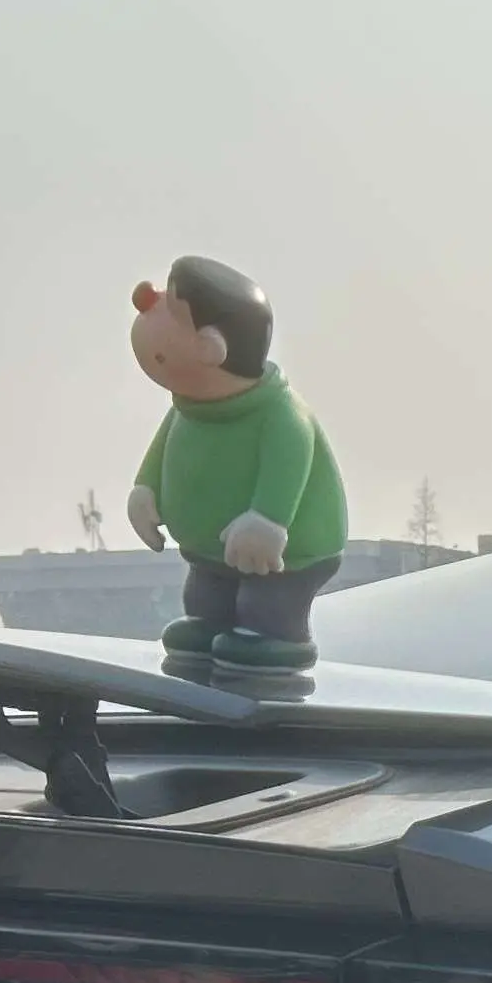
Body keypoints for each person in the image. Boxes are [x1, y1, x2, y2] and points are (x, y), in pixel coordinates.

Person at [123, 256, 348, 675]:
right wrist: (145, 490)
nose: (149, 305)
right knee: (207, 598)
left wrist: (269, 520)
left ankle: (280, 638)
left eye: (172, 307)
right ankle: (210, 626)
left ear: (211, 348)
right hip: (212, 553)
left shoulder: (280, 415)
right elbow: (162, 450)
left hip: (286, 558)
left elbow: (288, 466)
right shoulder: (189, 408)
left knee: (263, 605)